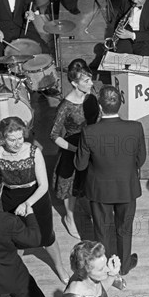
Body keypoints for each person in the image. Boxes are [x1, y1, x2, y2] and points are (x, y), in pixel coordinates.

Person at [0, 116, 68, 284]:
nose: (17, 143)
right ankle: (14, 271)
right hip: (10, 199)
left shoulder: (33, 152)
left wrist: (27, 204)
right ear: (2, 137)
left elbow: (43, 186)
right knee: (14, 238)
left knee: (47, 237)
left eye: (20, 138)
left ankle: (59, 266)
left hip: (36, 198)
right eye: (12, 139)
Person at [75, 85, 146, 276]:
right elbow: (141, 159)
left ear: (100, 106)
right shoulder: (136, 127)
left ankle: (103, 267)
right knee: (124, 228)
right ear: (121, 104)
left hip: (99, 190)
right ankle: (123, 267)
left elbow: (80, 165)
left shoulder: (89, 132)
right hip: (127, 188)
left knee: (101, 230)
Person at [50, 61, 99, 239]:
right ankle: (69, 218)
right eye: (86, 81)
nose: (91, 83)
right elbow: (54, 135)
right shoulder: (66, 105)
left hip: (91, 146)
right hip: (73, 148)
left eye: (90, 79)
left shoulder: (90, 96)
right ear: (74, 83)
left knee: (87, 181)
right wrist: (74, 149)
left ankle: (85, 207)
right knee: (69, 186)